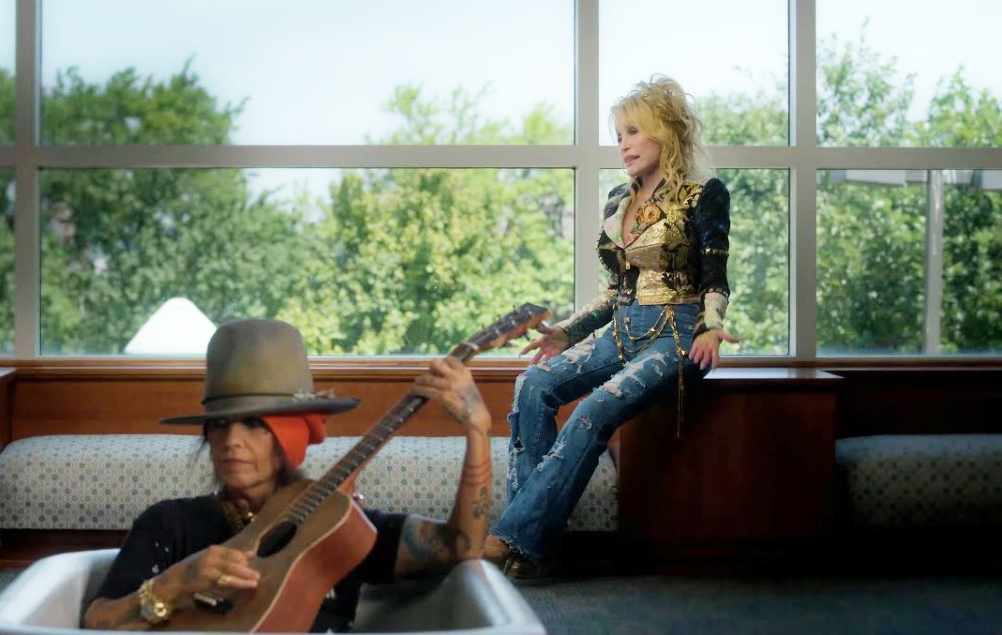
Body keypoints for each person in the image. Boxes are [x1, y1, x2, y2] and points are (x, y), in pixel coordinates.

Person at [82, 318, 493, 632]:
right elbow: (95, 622)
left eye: (254, 425)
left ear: (289, 435)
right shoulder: (168, 523)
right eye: (220, 425)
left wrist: (478, 428)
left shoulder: (339, 530)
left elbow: (459, 546)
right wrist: (175, 582)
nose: (231, 441)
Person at [483, 75, 738, 579]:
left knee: (595, 408)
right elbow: (616, 290)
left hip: (677, 334)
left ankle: (506, 540)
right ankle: (533, 545)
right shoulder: (618, 200)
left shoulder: (703, 193)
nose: (621, 144)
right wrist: (568, 333)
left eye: (633, 132)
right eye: (618, 134)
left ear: (664, 132)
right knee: (532, 383)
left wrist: (711, 327)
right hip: (622, 330)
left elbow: (716, 274)